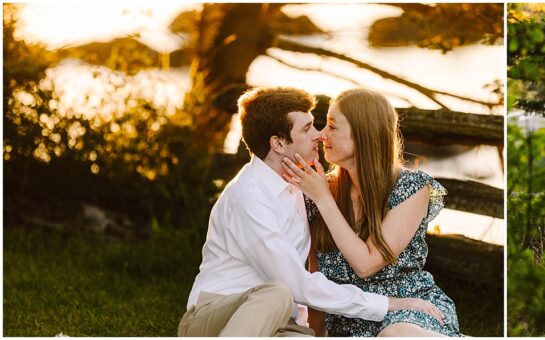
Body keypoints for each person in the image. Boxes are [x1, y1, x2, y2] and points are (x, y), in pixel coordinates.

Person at [178, 87, 440, 337]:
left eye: (322, 126)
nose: (318, 135)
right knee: (278, 292)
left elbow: (314, 276)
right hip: (217, 316)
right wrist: (386, 304)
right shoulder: (250, 198)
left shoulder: (302, 188)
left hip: (278, 321)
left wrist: (314, 331)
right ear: (278, 143)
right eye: (307, 128)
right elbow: (296, 283)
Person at [283, 88, 461, 336]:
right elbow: (316, 278)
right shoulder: (321, 192)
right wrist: (315, 334)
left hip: (408, 310)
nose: (321, 135)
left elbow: (366, 265)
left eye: (332, 127)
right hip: (348, 322)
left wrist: (323, 200)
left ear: (363, 133)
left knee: (395, 335)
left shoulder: (411, 187)